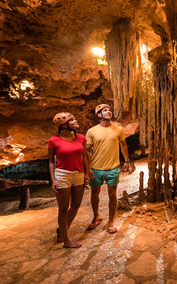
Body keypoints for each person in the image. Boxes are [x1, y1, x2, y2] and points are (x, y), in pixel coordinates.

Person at [86, 104, 130, 234]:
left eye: (110, 110)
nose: (108, 112)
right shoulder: (92, 131)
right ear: (99, 115)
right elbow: (87, 151)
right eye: (105, 110)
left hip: (113, 167)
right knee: (94, 194)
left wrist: (126, 160)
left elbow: (123, 145)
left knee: (112, 194)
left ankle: (111, 221)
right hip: (96, 168)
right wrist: (87, 167)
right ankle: (96, 216)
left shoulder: (118, 129)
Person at [48, 112, 89, 248]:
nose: (75, 121)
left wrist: (87, 173)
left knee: (76, 205)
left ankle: (62, 231)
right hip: (62, 175)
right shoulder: (54, 140)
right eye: (72, 120)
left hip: (79, 174)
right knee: (63, 209)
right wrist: (53, 180)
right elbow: (51, 162)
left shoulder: (81, 138)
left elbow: (84, 157)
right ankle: (66, 240)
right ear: (63, 125)